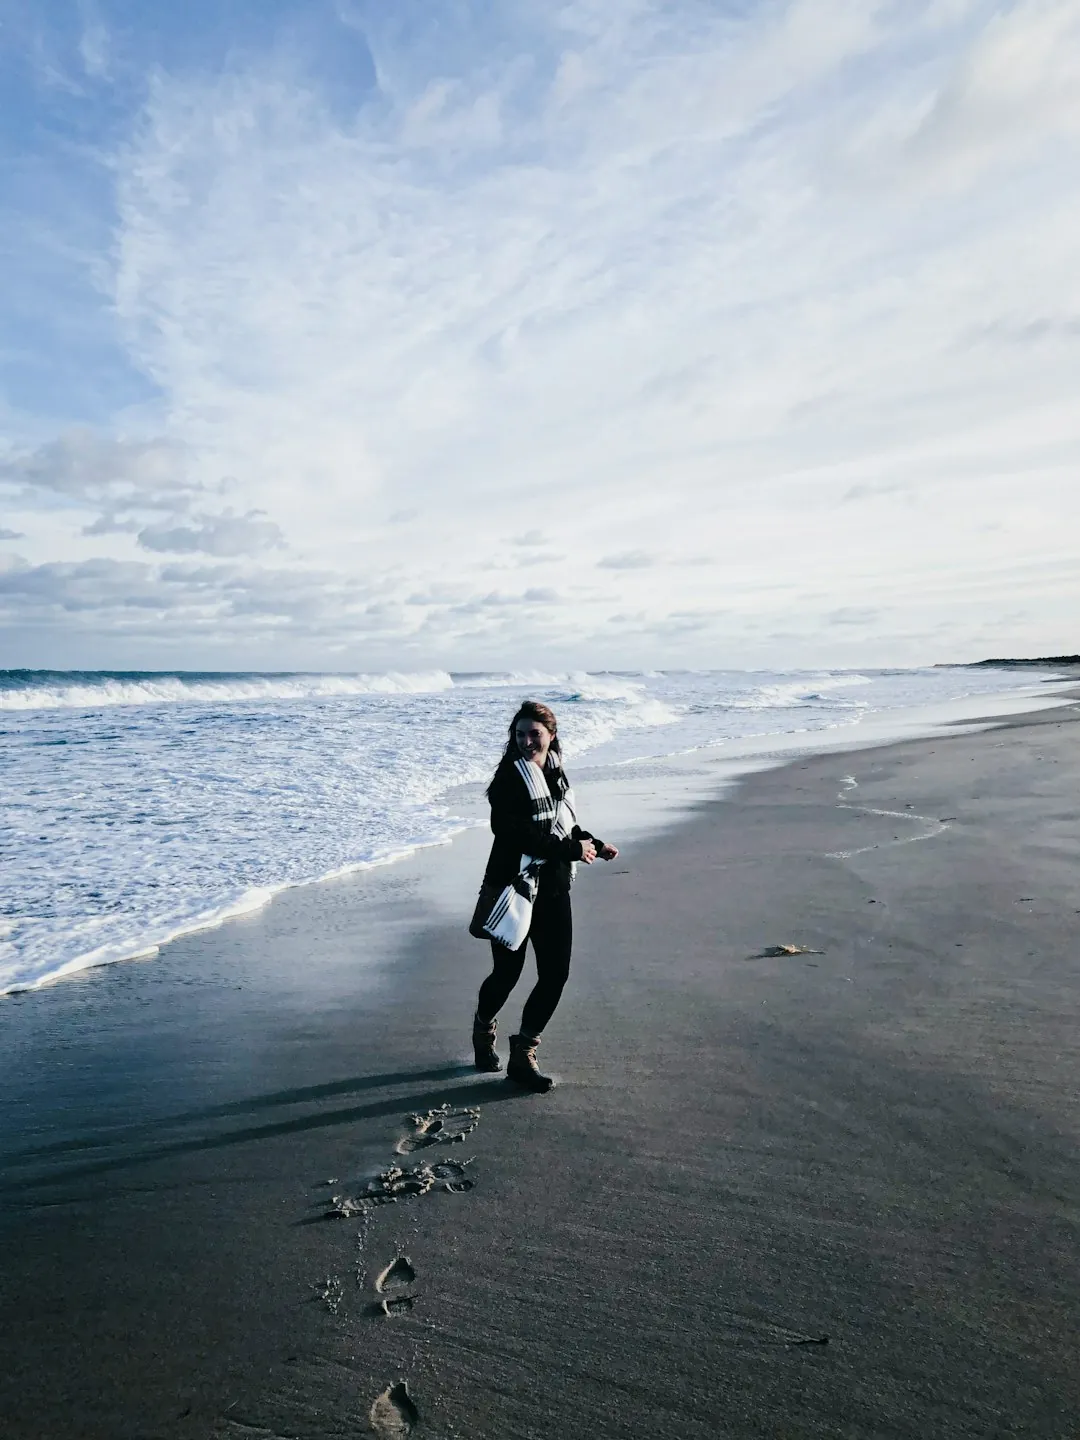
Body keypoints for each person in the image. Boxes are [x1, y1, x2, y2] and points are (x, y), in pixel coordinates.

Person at [471, 700, 618, 1092]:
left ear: (551, 736)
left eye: (534, 733)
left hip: (553, 888)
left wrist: (594, 844)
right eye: (519, 734)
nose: (526, 741)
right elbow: (514, 834)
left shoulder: (556, 775)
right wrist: (573, 850)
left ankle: (523, 1053)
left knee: (556, 974)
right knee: (507, 974)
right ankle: (484, 1028)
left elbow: (563, 825)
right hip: (513, 889)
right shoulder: (508, 781)